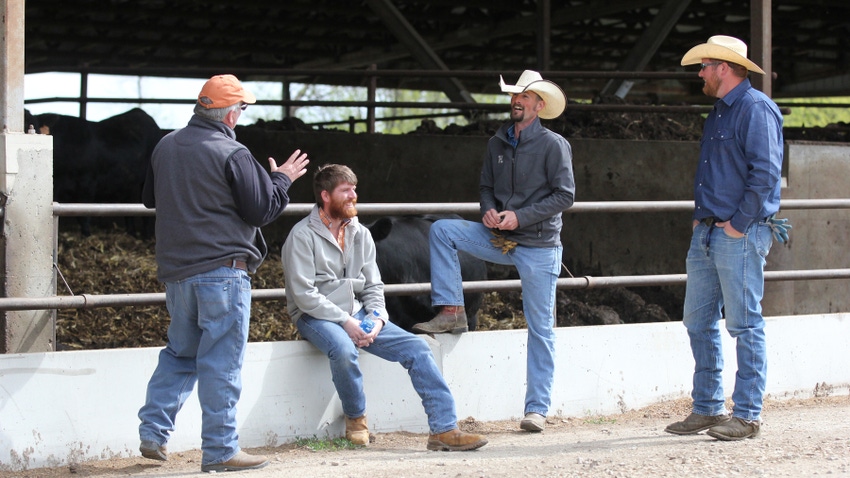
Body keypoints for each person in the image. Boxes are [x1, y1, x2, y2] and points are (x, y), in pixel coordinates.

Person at [138, 74, 310, 472]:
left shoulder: (165, 146)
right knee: (221, 362)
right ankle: (220, 450)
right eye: (242, 109)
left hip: (177, 274)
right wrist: (281, 179)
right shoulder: (231, 152)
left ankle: (153, 432)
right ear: (231, 113)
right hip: (222, 272)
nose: (241, 116)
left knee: (180, 354)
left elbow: (149, 199)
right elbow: (262, 211)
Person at [281, 164, 488, 452]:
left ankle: (444, 429)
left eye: (355, 189)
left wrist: (377, 317)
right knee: (343, 350)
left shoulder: (360, 234)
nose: (354, 195)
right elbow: (304, 295)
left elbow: (373, 286)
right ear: (325, 196)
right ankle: (356, 419)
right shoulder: (301, 236)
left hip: (359, 313)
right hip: (315, 316)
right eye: (346, 190)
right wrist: (346, 321)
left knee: (417, 349)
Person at [411, 70, 575, 433]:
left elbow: (565, 196)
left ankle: (536, 409)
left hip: (538, 246)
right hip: (500, 236)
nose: (517, 101)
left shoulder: (553, 145)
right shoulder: (496, 143)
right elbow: (486, 186)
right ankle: (452, 309)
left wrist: (520, 217)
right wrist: (488, 210)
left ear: (539, 105)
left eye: (525, 97)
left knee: (541, 328)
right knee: (443, 230)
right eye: (514, 96)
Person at [665, 35, 784, 441]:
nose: (700, 73)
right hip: (710, 231)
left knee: (744, 323)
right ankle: (709, 407)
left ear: (723, 68)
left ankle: (748, 414)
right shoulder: (719, 112)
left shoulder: (755, 109)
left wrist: (735, 224)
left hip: (739, 232)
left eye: (705, 66)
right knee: (698, 320)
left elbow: (766, 174)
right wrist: (703, 221)